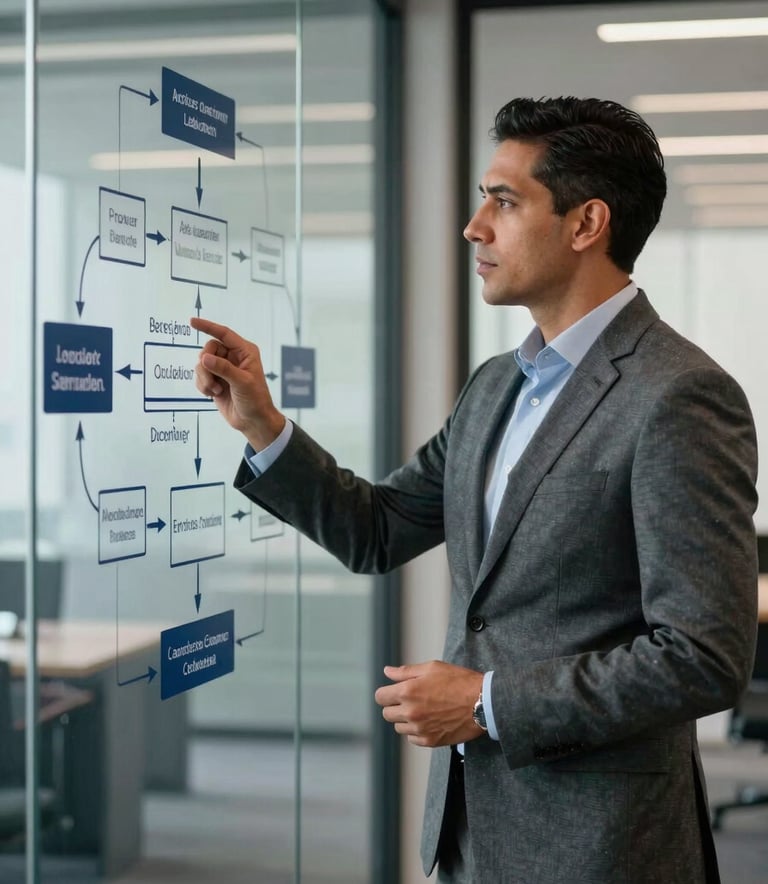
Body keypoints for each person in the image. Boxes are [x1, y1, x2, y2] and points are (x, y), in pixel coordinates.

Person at [190, 96, 759, 883]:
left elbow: (702, 656)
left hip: (601, 846)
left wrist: (489, 702)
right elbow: (378, 529)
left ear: (586, 223)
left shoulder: (681, 396)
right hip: (472, 829)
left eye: (503, 200)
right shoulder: (497, 386)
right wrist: (263, 426)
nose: (474, 227)